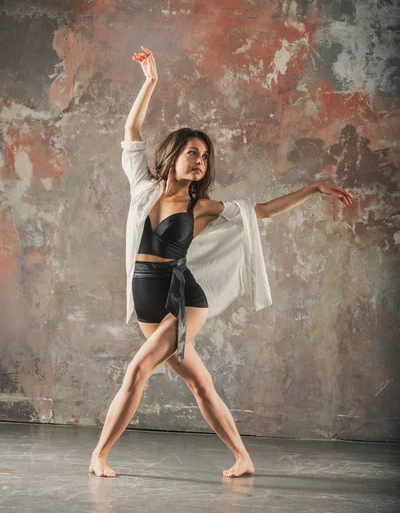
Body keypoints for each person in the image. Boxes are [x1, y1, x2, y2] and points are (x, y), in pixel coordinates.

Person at [89, 46, 354, 479]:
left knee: (137, 369)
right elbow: (131, 128)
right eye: (193, 153)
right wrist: (150, 81)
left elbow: (259, 211)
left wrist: (314, 189)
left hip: (183, 298)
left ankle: (98, 456)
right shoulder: (143, 186)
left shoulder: (204, 207)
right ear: (174, 155)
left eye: (205, 156)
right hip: (145, 296)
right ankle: (243, 458)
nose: (200, 161)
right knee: (199, 382)